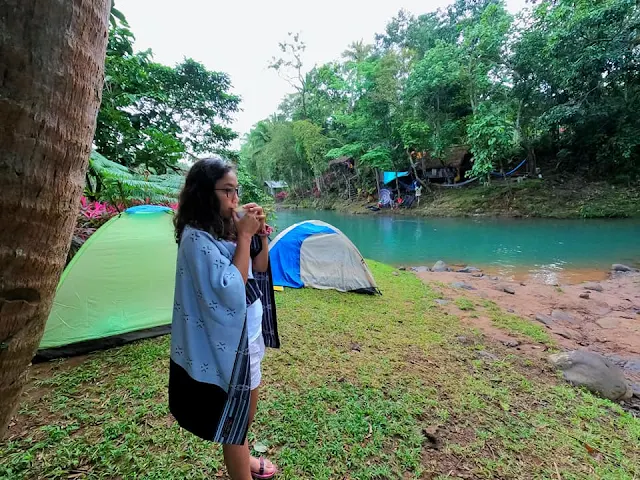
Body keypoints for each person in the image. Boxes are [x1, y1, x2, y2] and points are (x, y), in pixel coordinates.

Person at [169, 157, 280, 480]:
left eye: (236, 190)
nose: (234, 198)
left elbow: (259, 268)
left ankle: (244, 458)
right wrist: (244, 238)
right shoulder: (196, 239)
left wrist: (258, 233)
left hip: (249, 334)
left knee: (245, 417)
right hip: (229, 345)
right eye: (227, 191)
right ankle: (241, 465)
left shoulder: (225, 226)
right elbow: (231, 288)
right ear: (205, 193)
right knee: (235, 424)